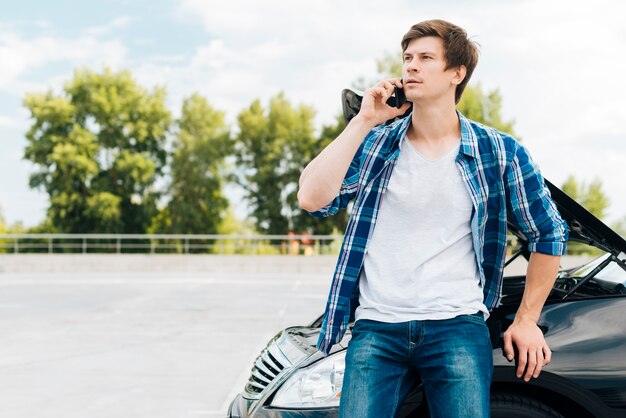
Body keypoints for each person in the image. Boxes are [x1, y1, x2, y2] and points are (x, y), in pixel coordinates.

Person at [297, 19, 568, 418]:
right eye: (407, 58)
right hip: (377, 328)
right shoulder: (376, 143)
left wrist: (527, 320)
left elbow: (549, 232)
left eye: (425, 58)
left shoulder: (500, 151)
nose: (410, 67)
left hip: (456, 327)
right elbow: (311, 198)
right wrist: (363, 121)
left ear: (457, 73)